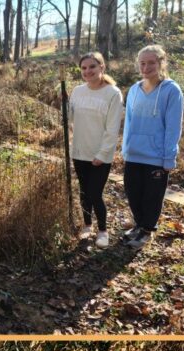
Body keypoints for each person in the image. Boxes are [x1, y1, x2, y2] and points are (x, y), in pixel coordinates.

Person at [120, 45, 184, 249]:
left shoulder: (171, 90)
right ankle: (139, 225)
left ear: (161, 63)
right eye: (142, 63)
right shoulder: (133, 90)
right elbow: (128, 123)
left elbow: (173, 126)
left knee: (151, 197)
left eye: (151, 63)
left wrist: (169, 157)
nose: (146, 67)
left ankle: (147, 230)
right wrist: (125, 149)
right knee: (133, 193)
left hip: (156, 156)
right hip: (134, 154)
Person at [69, 52, 124, 249]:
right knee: (84, 191)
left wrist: (102, 154)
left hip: (100, 153)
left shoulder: (112, 93)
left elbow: (112, 128)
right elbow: (70, 118)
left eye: (92, 67)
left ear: (102, 68)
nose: (87, 71)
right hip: (79, 150)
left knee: (95, 192)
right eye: (83, 68)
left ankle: (103, 230)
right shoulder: (77, 91)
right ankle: (87, 225)